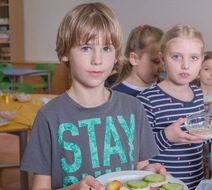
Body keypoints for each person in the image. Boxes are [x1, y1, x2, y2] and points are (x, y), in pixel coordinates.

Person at [20, 3, 166, 190]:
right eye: (86, 48)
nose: (97, 60)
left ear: (116, 56)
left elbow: (138, 169)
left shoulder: (134, 108)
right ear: (65, 53)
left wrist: (148, 172)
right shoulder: (48, 117)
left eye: (106, 49)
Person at [137, 24, 212, 190]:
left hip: (196, 181)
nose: (186, 65)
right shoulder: (147, 100)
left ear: (201, 60)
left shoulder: (196, 93)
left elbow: (200, 131)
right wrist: (167, 136)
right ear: (162, 58)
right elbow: (139, 152)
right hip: (164, 184)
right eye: (176, 57)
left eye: (193, 58)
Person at [112, 24, 164, 96]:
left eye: (164, 61)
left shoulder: (164, 88)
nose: (162, 68)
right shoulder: (116, 95)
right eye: (156, 61)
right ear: (134, 59)